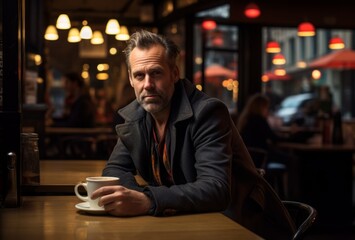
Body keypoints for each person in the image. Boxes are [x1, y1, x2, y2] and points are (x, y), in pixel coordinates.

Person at [91, 30, 295, 239]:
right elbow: (115, 167)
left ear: (174, 73)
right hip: (189, 220)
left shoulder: (208, 112)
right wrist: (132, 198)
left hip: (239, 224)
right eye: (139, 75)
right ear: (131, 80)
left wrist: (147, 200)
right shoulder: (137, 115)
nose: (148, 85)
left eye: (156, 73)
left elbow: (215, 189)